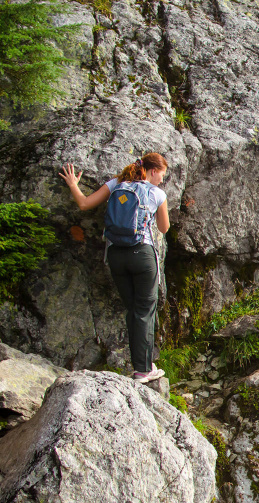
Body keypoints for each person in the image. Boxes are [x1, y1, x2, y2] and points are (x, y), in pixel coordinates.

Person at [59, 153, 170, 383]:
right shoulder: (157, 193)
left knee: (133, 310)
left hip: (116, 256)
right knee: (144, 311)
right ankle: (144, 369)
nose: (162, 179)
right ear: (152, 171)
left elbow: (84, 203)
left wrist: (73, 184)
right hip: (142, 256)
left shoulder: (117, 183)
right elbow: (164, 227)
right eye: (162, 174)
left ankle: (142, 365)